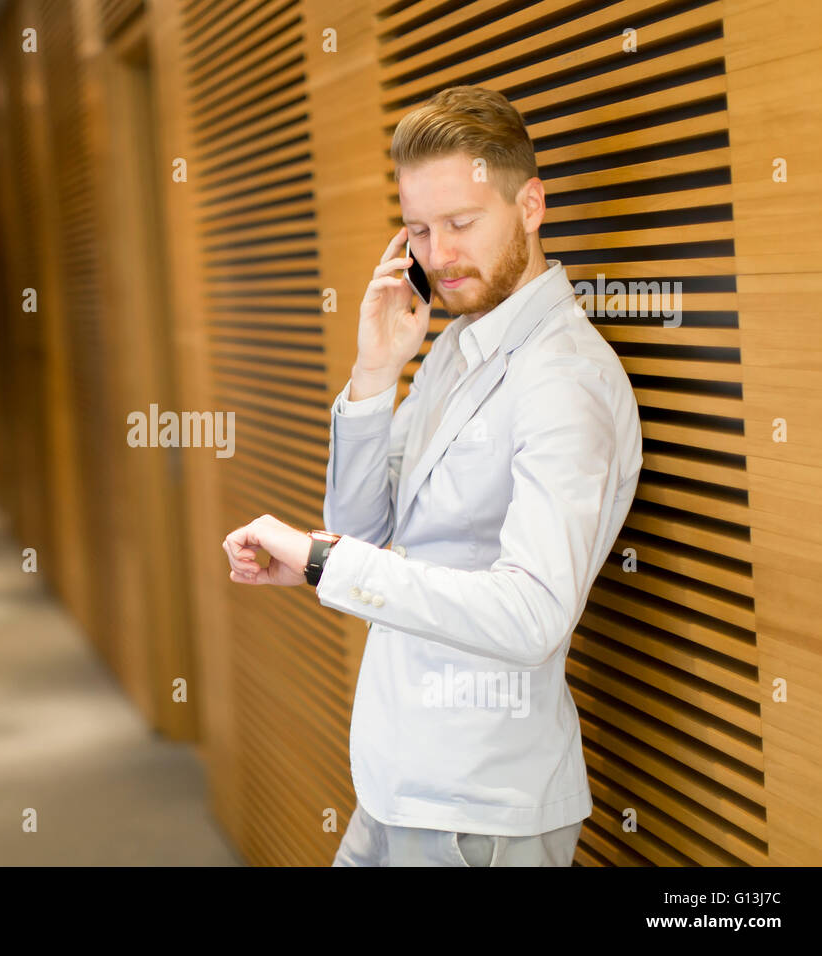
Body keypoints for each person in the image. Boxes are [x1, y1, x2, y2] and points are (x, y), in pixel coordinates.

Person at [220, 86, 643, 866]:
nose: (438, 255)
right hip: (398, 781)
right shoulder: (453, 345)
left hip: (477, 809)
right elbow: (367, 531)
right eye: (418, 229)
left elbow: (533, 614)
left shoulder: (565, 379)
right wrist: (376, 374)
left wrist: (322, 561)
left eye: (461, 223)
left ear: (531, 205)